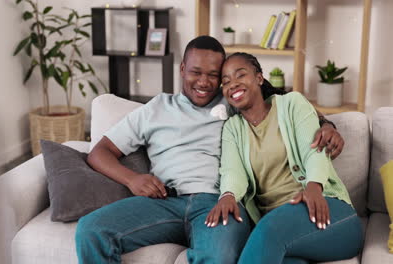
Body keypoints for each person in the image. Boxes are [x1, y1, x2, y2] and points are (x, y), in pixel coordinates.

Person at [75, 36, 344, 264]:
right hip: (163, 202)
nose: (204, 82)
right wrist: (132, 179)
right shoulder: (155, 109)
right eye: (196, 72)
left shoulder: (234, 102)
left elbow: (283, 105)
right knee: (91, 229)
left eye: (213, 75)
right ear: (182, 69)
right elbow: (99, 152)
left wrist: (327, 124)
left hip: (218, 203)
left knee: (219, 254)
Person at [205, 52, 363, 264]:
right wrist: (228, 196)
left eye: (240, 75)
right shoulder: (233, 129)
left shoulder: (291, 104)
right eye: (226, 82)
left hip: (329, 212)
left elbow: (313, 149)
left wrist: (314, 188)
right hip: (281, 230)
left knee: (269, 230)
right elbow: (233, 171)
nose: (233, 84)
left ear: (259, 78)